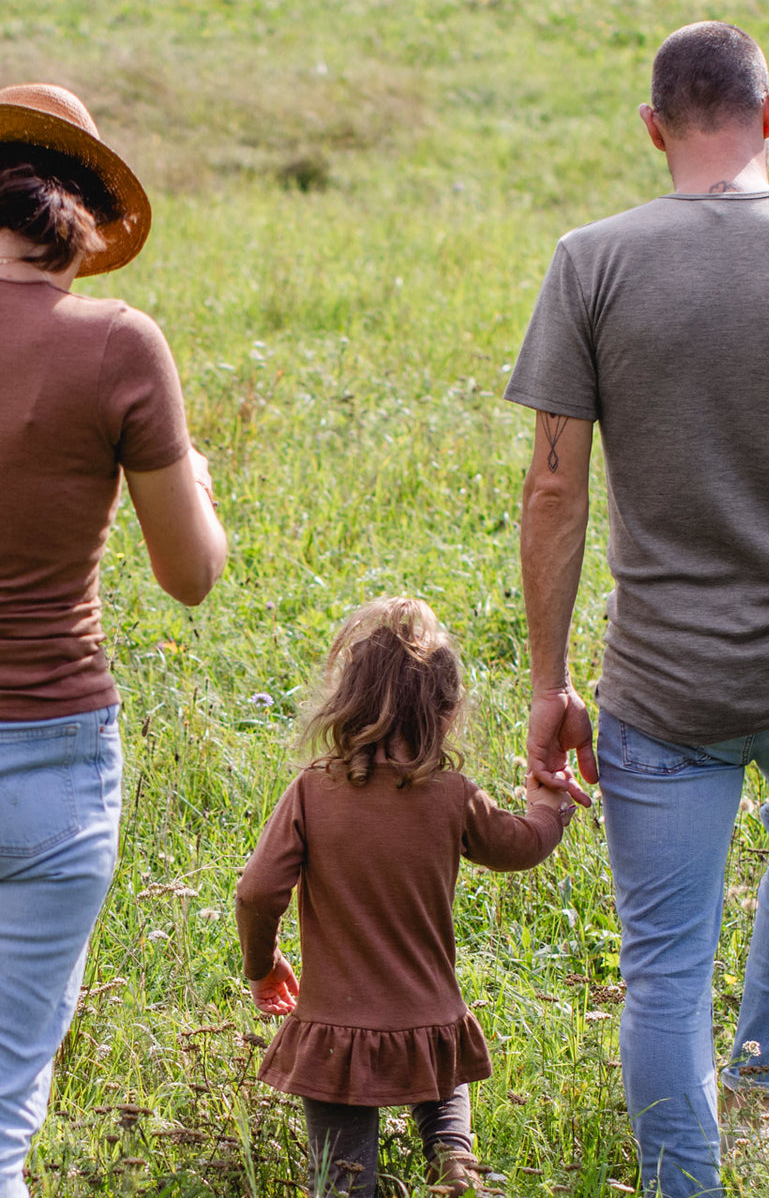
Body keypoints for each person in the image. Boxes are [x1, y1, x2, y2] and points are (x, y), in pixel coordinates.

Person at [506, 21, 769, 1197]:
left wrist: (548, 685)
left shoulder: (591, 261)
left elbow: (554, 489)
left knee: (663, 969)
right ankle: (756, 1085)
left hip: (661, 684)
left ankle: (685, 1181)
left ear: (654, 128)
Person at [0, 84, 227, 1198]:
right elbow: (189, 576)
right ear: (84, 225)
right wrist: (199, 486)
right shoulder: (120, 344)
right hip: (53, 756)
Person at [235, 597, 575, 1197]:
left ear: (347, 701)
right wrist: (549, 808)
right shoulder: (452, 794)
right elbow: (520, 847)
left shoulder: (312, 791)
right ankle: (454, 1166)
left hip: (338, 1028)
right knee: (444, 1107)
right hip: (430, 1018)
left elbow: (258, 891)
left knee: (342, 1177)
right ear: (444, 710)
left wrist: (263, 965)